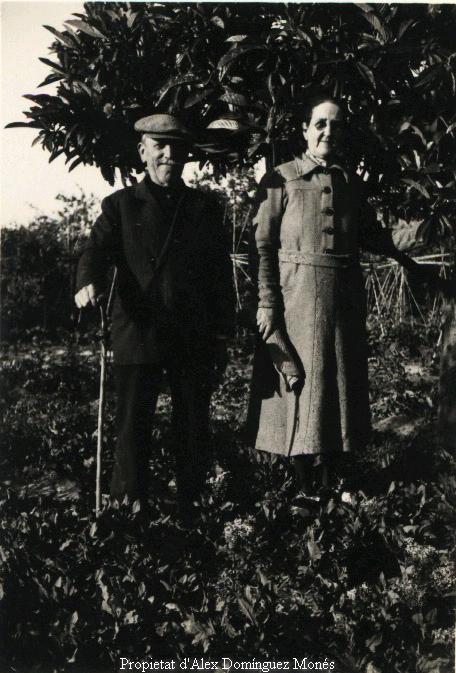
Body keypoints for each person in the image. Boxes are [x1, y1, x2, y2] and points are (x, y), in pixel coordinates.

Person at [247, 93, 434, 504]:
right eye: (320, 124)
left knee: (337, 386)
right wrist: (267, 302)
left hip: (343, 298)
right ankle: (303, 485)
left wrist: (425, 231)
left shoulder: (350, 183)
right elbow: (262, 246)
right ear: (304, 130)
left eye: (336, 125)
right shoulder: (282, 178)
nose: (328, 131)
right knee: (299, 384)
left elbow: (376, 236)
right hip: (296, 298)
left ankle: (335, 479)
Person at [75, 113, 234, 523]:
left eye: (177, 147)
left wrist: (221, 335)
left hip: (191, 334)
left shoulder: (203, 207)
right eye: (159, 146)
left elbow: (220, 276)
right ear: (142, 152)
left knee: (193, 425)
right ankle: (129, 513)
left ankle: (192, 509)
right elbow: (95, 251)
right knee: (133, 426)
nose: (169, 155)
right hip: (138, 328)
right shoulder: (120, 205)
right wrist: (87, 282)